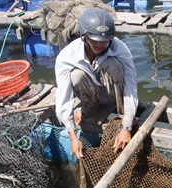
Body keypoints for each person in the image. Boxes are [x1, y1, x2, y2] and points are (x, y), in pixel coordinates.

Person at [55, 7, 139, 159]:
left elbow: (131, 87)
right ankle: (88, 111)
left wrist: (126, 127)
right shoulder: (67, 56)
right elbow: (64, 99)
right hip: (91, 97)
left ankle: (123, 116)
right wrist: (73, 137)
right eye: (94, 39)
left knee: (113, 65)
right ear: (84, 35)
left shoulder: (120, 49)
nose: (99, 44)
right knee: (76, 75)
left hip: (113, 96)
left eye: (104, 40)